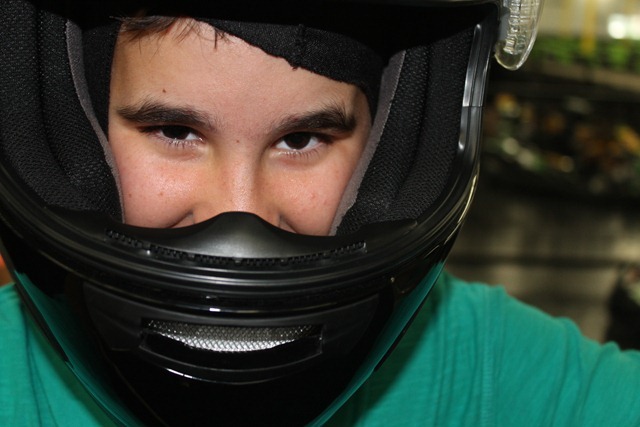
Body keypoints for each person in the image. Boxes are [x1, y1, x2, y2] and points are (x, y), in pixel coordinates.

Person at [0, 0, 639, 426]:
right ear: (71, 137)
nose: (239, 216)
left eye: (301, 139)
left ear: (386, 156)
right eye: (174, 130)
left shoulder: (506, 376)